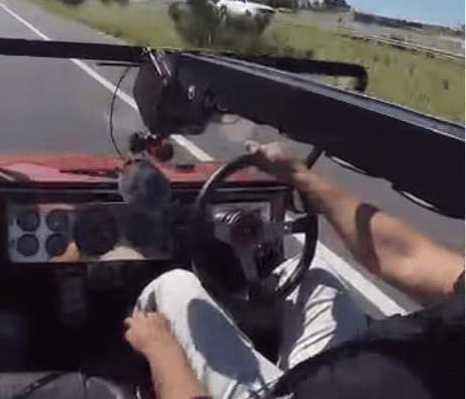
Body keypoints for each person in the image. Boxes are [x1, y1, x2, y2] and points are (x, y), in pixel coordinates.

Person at [125, 141, 464, 399]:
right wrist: (300, 175)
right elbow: (406, 255)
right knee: (313, 274)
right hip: (333, 373)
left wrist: (159, 348)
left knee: (175, 285)